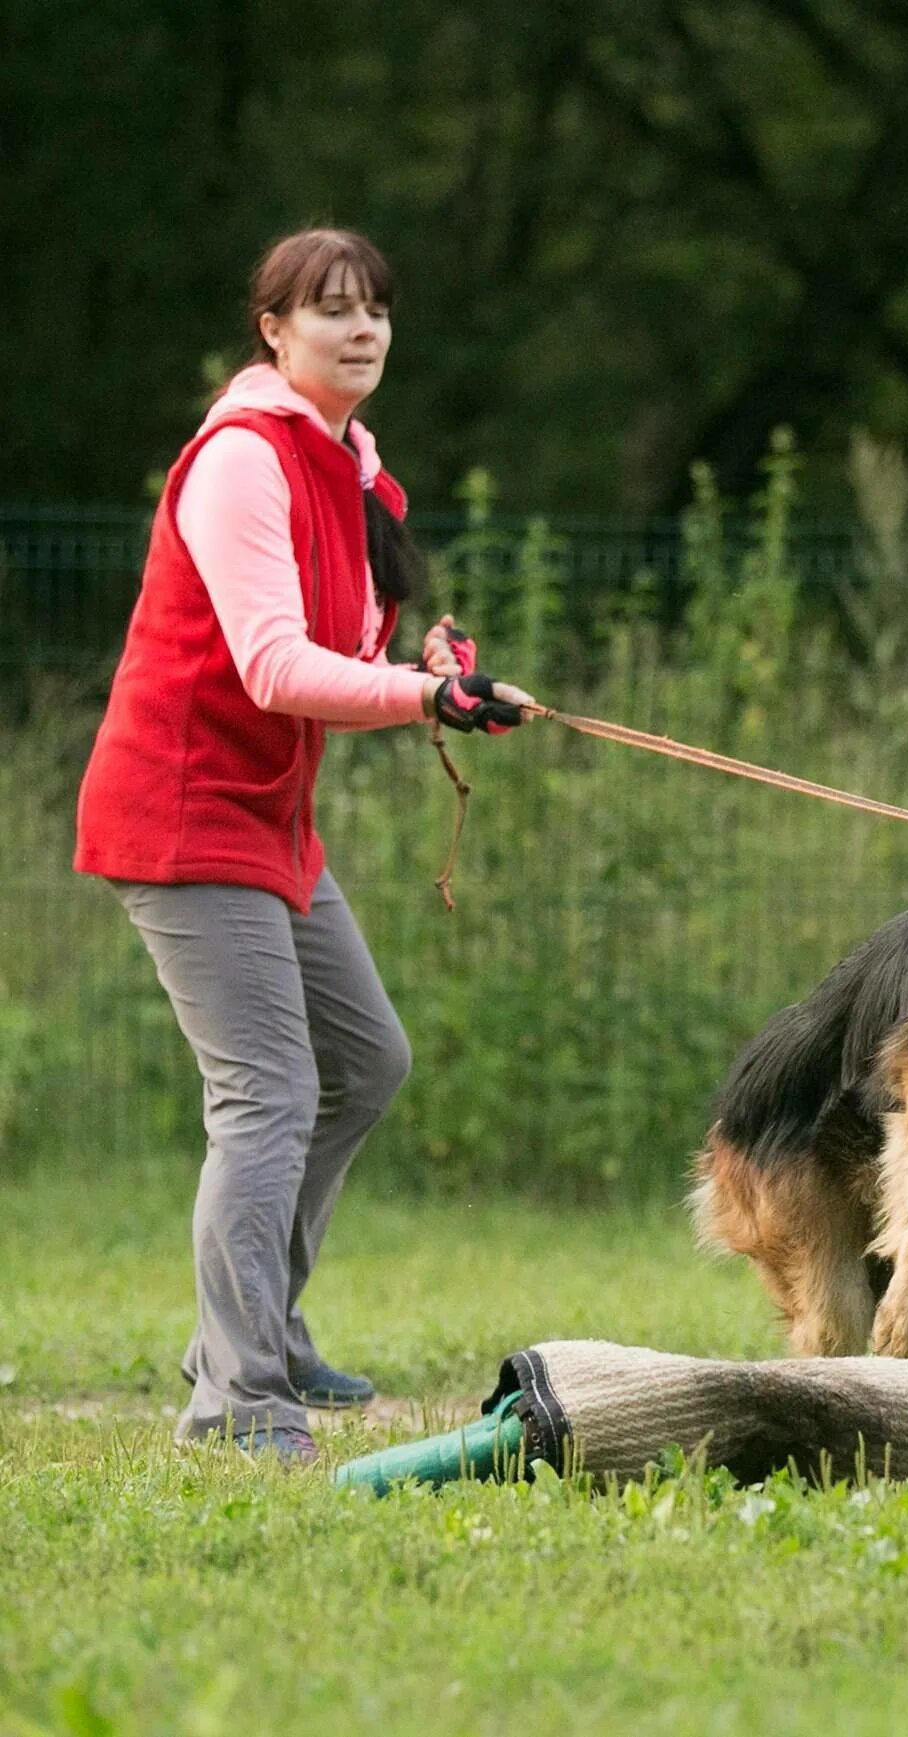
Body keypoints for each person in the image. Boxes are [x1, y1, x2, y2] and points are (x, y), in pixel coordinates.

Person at [74, 228, 532, 1465]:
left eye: (377, 307)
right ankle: (239, 1397)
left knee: (366, 1062)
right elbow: (275, 669)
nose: (363, 328)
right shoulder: (242, 459)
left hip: (271, 816)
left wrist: (432, 671)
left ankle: (253, 1326)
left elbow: (346, 645)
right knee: (267, 1092)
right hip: (182, 811)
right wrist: (422, 701)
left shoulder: (351, 465)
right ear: (272, 329)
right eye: (329, 308)